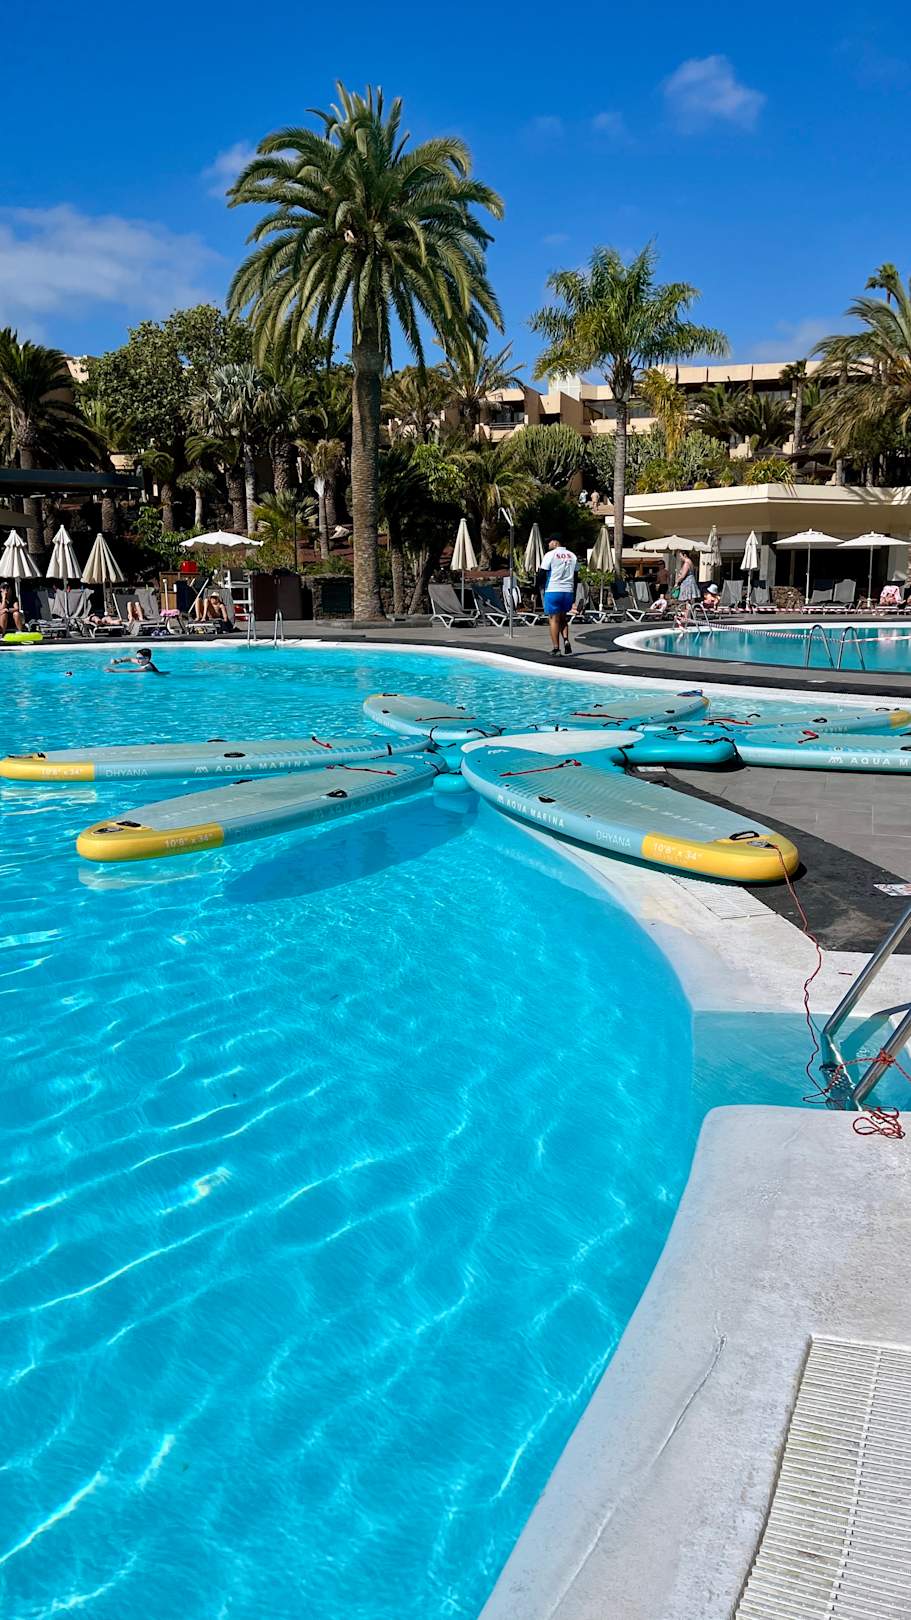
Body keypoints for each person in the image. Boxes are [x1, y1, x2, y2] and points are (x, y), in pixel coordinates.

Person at [538, 536, 579, 655]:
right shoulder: (572, 556)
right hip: (568, 591)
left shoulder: (550, 555)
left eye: (549, 542)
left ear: (555, 542)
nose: (548, 544)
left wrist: (537, 588)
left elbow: (542, 573)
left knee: (553, 620)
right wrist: (574, 594)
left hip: (553, 589)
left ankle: (556, 648)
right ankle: (566, 640)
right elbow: (576, 577)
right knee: (563, 618)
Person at [675, 551, 700, 623]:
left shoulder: (686, 563)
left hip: (687, 583)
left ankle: (686, 617)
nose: (680, 558)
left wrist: (677, 582)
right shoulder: (690, 562)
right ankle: (688, 616)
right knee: (689, 600)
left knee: (687, 600)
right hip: (690, 582)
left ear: (685, 555)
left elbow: (683, 575)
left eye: (681, 556)